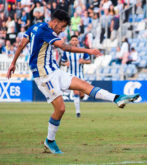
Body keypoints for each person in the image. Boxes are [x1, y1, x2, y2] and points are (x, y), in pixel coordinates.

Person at [6, 9, 139, 154]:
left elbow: (21, 44)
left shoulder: (35, 27)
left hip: (55, 71)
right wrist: (88, 51)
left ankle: (117, 98)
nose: (62, 30)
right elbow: (64, 47)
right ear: (55, 22)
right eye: (62, 27)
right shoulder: (45, 30)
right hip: (43, 76)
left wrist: (13, 63)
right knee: (61, 109)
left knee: (85, 86)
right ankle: (49, 141)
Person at [61, 35, 91, 118]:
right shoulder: (66, 51)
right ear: (70, 41)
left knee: (82, 95)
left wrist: (83, 61)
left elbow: (89, 61)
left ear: (78, 41)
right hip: (71, 75)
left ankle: (81, 97)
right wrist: (65, 63)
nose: (74, 41)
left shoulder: (82, 51)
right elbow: (62, 62)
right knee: (76, 92)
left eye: (76, 40)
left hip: (80, 75)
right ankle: (78, 113)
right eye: (73, 40)